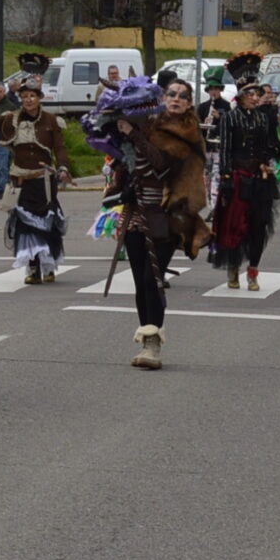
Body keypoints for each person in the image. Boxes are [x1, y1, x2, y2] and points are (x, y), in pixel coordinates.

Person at [89, 74, 209, 370]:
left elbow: (162, 163)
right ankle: (147, 336)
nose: (177, 98)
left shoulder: (188, 131)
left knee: (151, 279)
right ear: (163, 97)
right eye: (172, 93)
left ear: (189, 103)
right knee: (139, 280)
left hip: (168, 213)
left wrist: (133, 134)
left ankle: (154, 345)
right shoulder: (149, 124)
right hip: (137, 210)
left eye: (183, 95)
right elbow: (131, 160)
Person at [207, 80, 280, 290]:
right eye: (251, 94)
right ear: (241, 96)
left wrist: (269, 160)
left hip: (259, 178)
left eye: (258, 94)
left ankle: (253, 272)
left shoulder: (263, 118)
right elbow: (225, 151)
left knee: (259, 225)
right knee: (235, 225)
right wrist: (226, 177)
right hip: (238, 178)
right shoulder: (230, 118)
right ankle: (233, 269)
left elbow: (267, 146)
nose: (256, 98)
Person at [0, 80, 74, 283]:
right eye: (24, 97)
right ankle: (33, 268)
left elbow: (60, 148)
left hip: (44, 181)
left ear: (39, 98)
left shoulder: (50, 121)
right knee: (26, 225)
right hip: (22, 181)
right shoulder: (12, 120)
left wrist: (63, 168)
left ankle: (48, 265)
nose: (28, 100)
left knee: (47, 223)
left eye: (32, 96)